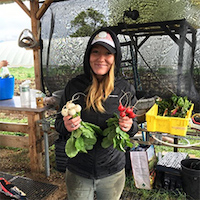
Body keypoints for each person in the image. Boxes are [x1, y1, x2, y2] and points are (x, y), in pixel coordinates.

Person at [55, 27, 138, 200]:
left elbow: (134, 126)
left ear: (115, 58)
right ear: (88, 56)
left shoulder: (124, 89)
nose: (101, 59)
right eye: (95, 52)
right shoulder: (75, 86)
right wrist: (67, 126)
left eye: (108, 53)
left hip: (112, 171)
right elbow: (59, 122)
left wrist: (129, 126)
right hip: (79, 170)